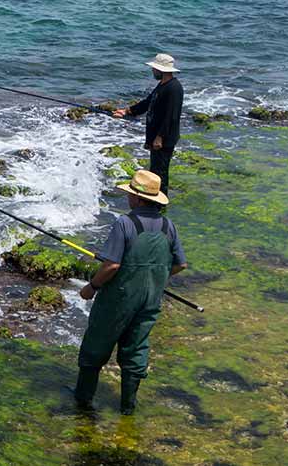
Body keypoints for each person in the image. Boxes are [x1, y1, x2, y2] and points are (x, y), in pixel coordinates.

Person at [73, 169, 187, 415]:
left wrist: (91, 287)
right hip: (150, 300)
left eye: (130, 194)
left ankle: (83, 404)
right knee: (135, 351)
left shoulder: (125, 223)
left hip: (118, 300)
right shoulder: (169, 226)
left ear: (136, 198)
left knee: (95, 350)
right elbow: (180, 264)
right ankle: (127, 407)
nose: (128, 198)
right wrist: (157, 277)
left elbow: (112, 265)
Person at [113, 54, 183, 194]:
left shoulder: (174, 88)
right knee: (155, 169)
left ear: (160, 70)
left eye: (154, 69)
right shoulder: (162, 85)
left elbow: (172, 116)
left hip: (164, 139)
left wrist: (160, 137)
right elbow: (147, 102)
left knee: (160, 173)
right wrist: (127, 111)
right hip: (157, 137)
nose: (152, 71)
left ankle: (159, 204)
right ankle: (153, 201)